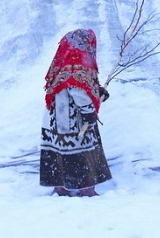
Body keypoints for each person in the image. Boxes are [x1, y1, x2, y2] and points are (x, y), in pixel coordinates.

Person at [40, 28, 111, 197]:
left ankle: (61, 187)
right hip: (73, 119)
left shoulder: (63, 61)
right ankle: (86, 189)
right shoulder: (77, 63)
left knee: (60, 151)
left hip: (56, 118)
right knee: (81, 152)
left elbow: (79, 86)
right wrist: (88, 112)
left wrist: (97, 91)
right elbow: (77, 89)